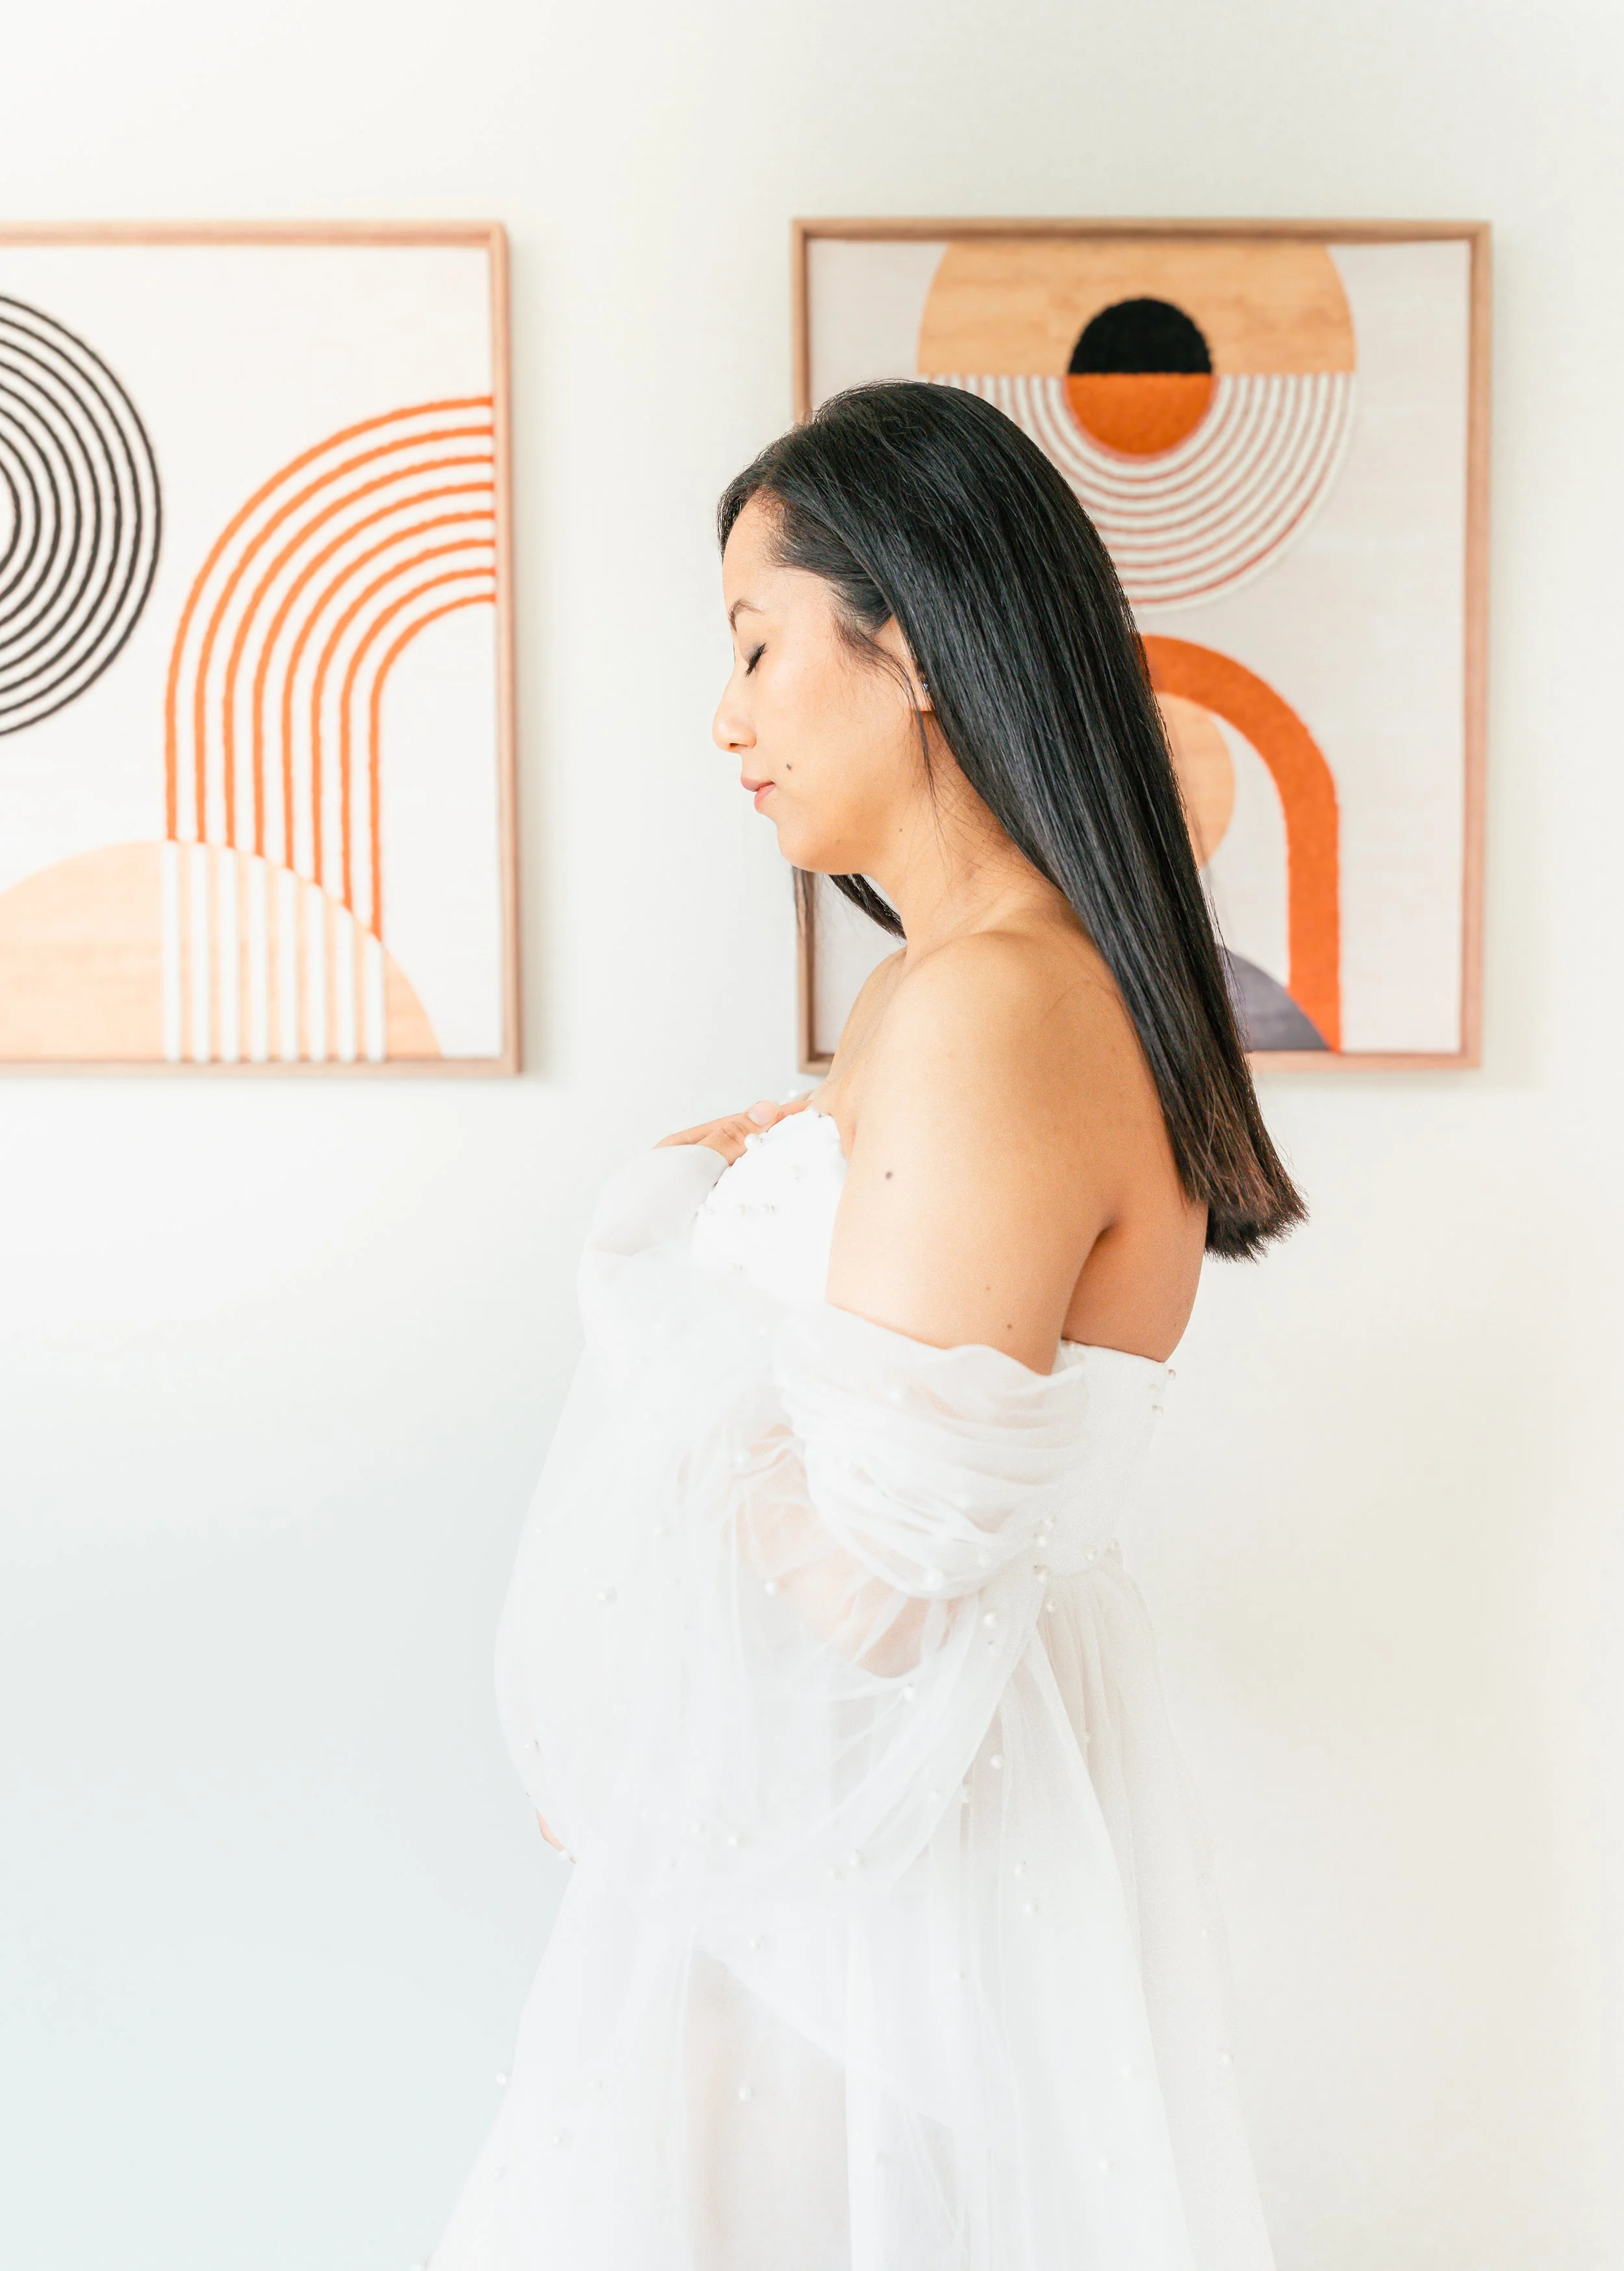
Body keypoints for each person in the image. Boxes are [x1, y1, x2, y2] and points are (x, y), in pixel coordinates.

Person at [428, 381, 1299, 2270]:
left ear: (904, 643)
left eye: (756, 644)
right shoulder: (995, 988)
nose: (725, 717)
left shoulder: (989, 1003)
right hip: (884, 1838)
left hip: (881, 1869)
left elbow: (878, 1574)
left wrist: (646, 1288)